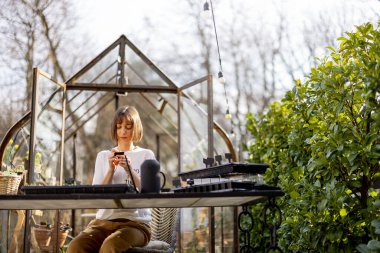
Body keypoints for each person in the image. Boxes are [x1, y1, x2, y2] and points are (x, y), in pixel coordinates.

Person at [67, 106, 155, 253]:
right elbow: (96, 196)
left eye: (128, 127)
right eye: (119, 127)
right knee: (75, 246)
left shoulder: (146, 155)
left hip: (135, 225)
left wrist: (129, 169)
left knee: (110, 246)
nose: (123, 131)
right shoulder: (103, 156)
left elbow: (150, 193)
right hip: (102, 223)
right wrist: (110, 170)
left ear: (136, 128)